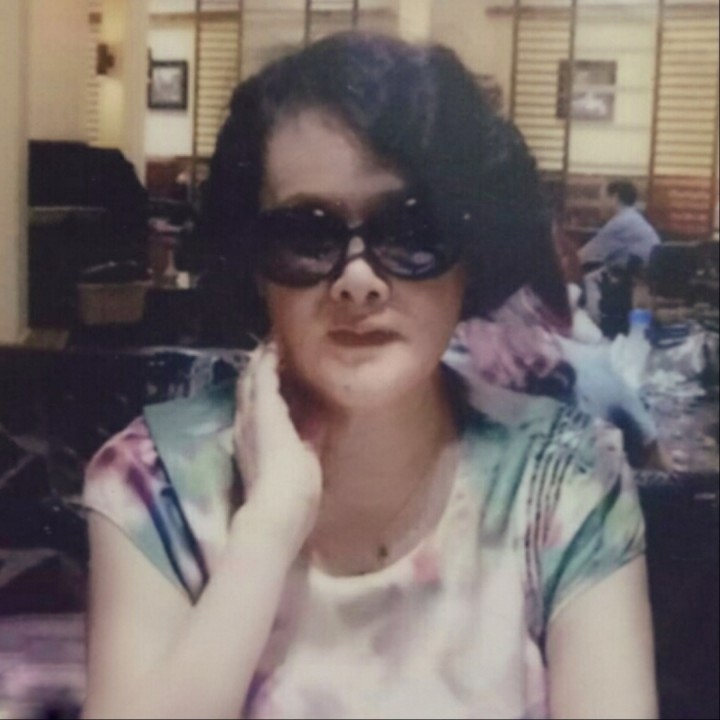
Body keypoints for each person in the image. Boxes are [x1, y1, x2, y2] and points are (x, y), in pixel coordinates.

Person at [81, 33, 657, 719]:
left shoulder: (567, 482)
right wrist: (267, 530)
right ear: (255, 266)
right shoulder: (152, 485)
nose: (358, 280)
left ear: (470, 254)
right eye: (306, 234)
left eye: (411, 231)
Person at [578, 180, 661, 272]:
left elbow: (582, 257)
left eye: (601, 199)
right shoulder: (632, 218)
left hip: (637, 278)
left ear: (614, 198)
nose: (599, 205)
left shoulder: (621, 223)